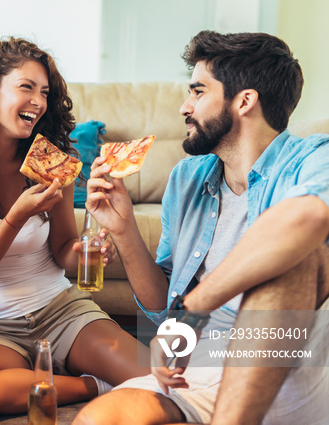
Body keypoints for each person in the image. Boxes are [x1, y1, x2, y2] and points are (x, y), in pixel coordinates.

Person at [74, 31, 329, 424]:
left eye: (197, 91)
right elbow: (162, 310)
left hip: (289, 358)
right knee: (98, 419)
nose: (183, 107)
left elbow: (309, 217)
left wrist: (195, 308)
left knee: (299, 256)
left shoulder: (314, 158)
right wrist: (123, 229)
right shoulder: (187, 178)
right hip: (199, 359)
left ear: (244, 101)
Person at [0, 37, 150, 414]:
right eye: (26, 87)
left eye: (44, 92)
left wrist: (85, 254)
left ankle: (62, 382)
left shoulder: (50, 160)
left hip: (60, 310)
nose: (38, 102)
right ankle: (93, 386)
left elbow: (63, 251)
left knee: (155, 374)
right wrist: (16, 216)